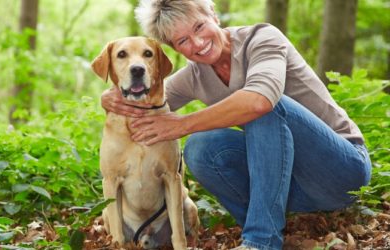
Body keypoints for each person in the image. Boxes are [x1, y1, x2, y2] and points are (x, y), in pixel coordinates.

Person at [101, 0, 372, 249]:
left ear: (213, 15)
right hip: (294, 191)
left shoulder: (262, 37)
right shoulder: (195, 75)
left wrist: (182, 124)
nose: (197, 42)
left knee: (265, 106)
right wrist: (111, 97)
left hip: (342, 170)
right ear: (175, 49)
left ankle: (260, 240)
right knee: (200, 147)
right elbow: (147, 97)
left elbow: (259, 101)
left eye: (199, 26)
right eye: (183, 40)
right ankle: (267, 223)